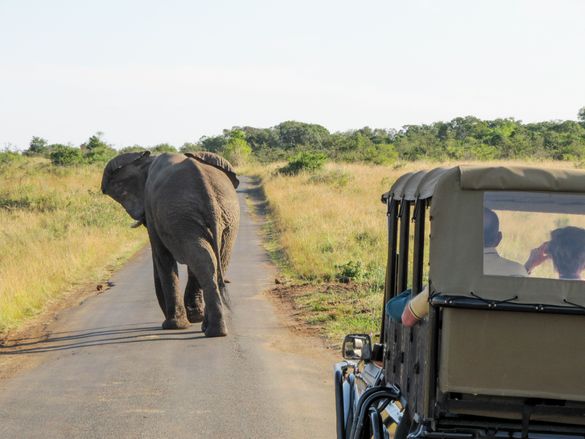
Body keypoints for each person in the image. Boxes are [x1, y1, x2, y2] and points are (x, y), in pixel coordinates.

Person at [390, 208, 527, 327]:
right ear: (498, 238)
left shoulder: (450, 275)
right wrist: (529, 265)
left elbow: (407, 319)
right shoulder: (518, 272)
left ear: (465, 237)